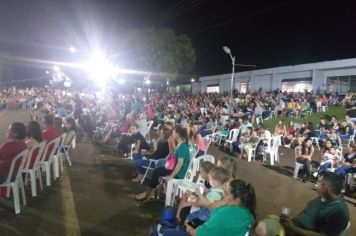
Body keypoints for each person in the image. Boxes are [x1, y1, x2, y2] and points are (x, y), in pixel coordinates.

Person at [255, 172, 349, 236]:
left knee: (261, 228)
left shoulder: (338, 212)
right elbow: (308, 215)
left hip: (297, 233)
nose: (316, 184)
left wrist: (293, 228)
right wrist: (290, 221)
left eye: (319, 182)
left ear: (325, 188)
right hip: (293, 227)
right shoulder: (324, 196)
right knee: (265, 220)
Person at [164, 179, 256, 236]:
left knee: (166, 233)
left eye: (227, 194)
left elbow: (199, 233)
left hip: (201, 229)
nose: (223, 195)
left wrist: (189, 229)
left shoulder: (225, 213)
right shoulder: (248, 214)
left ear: (238, 199)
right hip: (209, 226)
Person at [135, 126, 190, 201]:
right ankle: (150, 192)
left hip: (179, 173)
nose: (172, 134)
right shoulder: (180, 145)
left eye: (173, 133)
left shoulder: (183, 147)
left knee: (157, 172)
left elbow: (180, 164)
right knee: (157, 171)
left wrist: (171, 176)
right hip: (175, 169)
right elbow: (171, 156)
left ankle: (149, 192)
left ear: (178, 134)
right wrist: (170, 145)